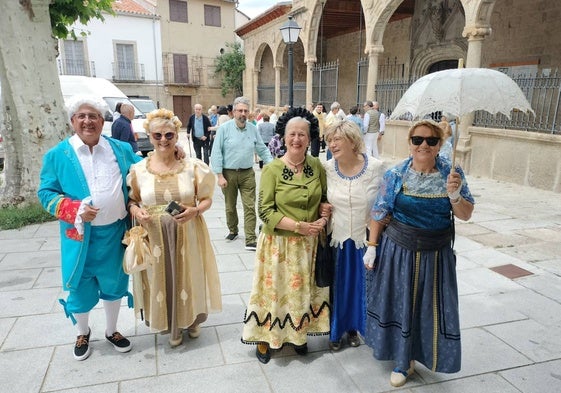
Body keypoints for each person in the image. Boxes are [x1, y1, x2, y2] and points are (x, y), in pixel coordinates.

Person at [363, 119, 475, 387]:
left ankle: (428, 355)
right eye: (418, 140)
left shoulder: (452, 174)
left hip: (436, 255)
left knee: (428, 308)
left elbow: (466, 215)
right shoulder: (396, 174)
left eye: (431, 141)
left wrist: (455, 195)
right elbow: (379, 212)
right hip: (398, 251)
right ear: (410, 143)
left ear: (440, 145)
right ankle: (403, 361)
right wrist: (372, 248)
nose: (424, 145)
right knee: (401, 305)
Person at [38, 96, 141, 361]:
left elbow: (143, 173)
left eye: (93, 115)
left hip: (115, 233)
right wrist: (74, 209)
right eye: (82, 116)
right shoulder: (57, 155)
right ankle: (82, 332)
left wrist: (173, 153)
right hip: (80, 237)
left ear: (102, 120)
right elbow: (46, 193)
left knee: (114, 283)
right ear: (73, 121)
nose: (87, 121)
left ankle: (111, 330)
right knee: (80, 288)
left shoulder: (119, 149)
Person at [127, 108, 222, 347]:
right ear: (149, 136)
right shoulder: (139, 170)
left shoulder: (193, 167)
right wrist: (137, 211)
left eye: (169, 135)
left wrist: (196, 211)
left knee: (189, 274)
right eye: (157, 135)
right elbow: (133, 200)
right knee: (161, 276)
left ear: (177, 135)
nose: (163, 140)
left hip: (188, 231)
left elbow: (207, 198)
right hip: (155, 235)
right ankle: (171, 324)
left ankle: (192, 319)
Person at [242, 109, 330, 364]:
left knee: (301, 293)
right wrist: (298, 226)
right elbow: (265, 211)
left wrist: (323, 214)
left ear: (310, 137)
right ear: (283, 136)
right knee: (274, 293)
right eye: (292, 134)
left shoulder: (316, 166)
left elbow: (323, 199)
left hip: (308, 245)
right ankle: (265, 338)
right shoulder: (272, 169)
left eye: (303, 134)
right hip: (279, 244)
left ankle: (296, 335)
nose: (297, 139)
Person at [321, 120, 384, 351]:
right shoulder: (327, 168)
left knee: (361, 287)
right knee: (339, 287)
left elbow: (383, 205)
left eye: (337, 139)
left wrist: (375, 241)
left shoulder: (377, 168)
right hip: (337, 239)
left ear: (352, 140)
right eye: (329, 140)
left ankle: (355, 328)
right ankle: (336, 331)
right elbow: (321, 198)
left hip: (364, 240)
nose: (332, 144)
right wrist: (321, 208)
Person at [210, 97, 273, 251]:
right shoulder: (224, 129)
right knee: (230, 207)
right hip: (228, 173)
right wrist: (219, 175)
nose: (243, 113)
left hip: (247, 174)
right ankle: (233, 230)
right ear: (234, 112)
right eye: (240, 110)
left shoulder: (253, 129)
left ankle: (250, 238)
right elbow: (216, 152)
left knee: (250, 206)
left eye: (245, 111)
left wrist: (272, 165)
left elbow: (262, 149)